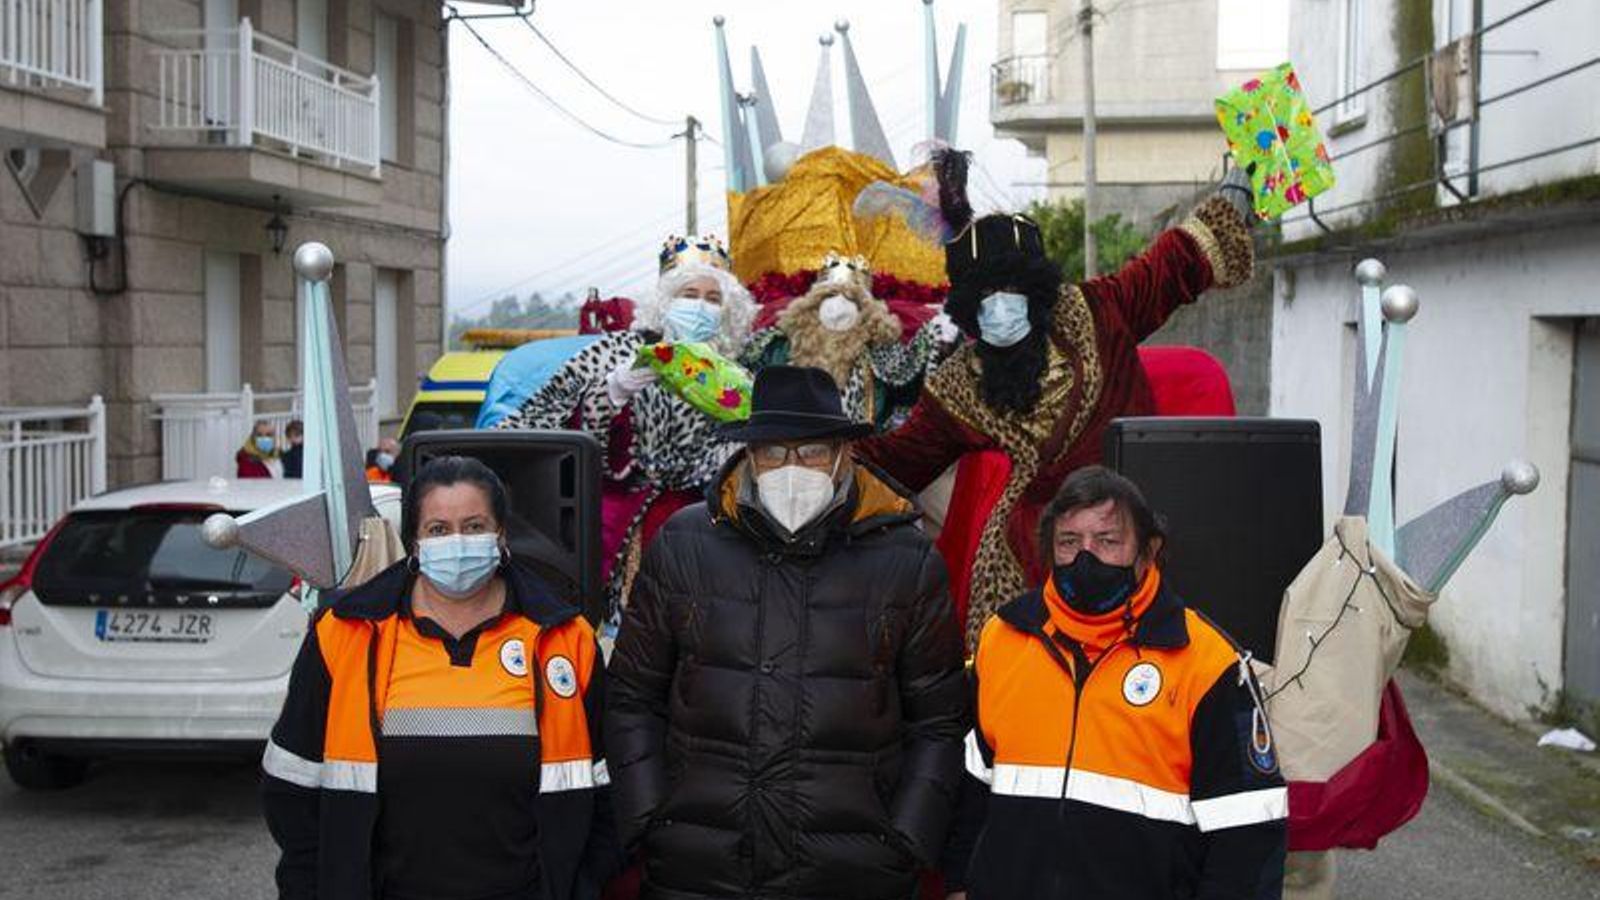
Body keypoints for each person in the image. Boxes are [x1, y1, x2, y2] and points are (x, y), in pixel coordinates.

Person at [854, 149, 1257, 650]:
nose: (999, 309)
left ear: (1037, 292)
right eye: (984, 297)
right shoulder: (957, 385)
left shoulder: (1098, 310)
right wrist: (811, 450)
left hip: (1132, 524)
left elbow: (1169, 268)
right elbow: (898, 460)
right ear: (968, 309)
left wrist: (1233, 198)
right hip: (1037, 552)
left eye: (1012, 291)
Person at [606, 366, 967, 900]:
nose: (791, 469)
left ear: (844, 455)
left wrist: (908, 836)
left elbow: (939, 722)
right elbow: (632, 696)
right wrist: (648, 817)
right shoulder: (685, 543)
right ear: (750, 456)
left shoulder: (906, 559)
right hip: (698, 865)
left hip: (853, 871)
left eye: (812, 452)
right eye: (774, 452)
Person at [261, 456, 620, 900]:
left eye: (473, 526)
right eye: (438, 529)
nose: (458, 542)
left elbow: (609, 794)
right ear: (413, 542)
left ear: (501, 535)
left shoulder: (567, 640)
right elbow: (291, 789)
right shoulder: (343, 635)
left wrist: (579, 887)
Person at [942, 466, 1286, 899]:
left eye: (1107, 541)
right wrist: (957, 883)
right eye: (1069, 542)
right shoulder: (1004, 638)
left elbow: (1249, 827)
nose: (1086, 557)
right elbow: (972, 785)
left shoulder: (1208, 663)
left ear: (1148, 551)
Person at [495, 235, 759, 622]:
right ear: (666, 299)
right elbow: (539, 426)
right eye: (690, 293)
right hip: (615, 524)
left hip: (711, 527)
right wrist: (612, 393)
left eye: (713, 298)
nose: (700, 307)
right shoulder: (615, 352)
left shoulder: (737, 372)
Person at [741, 251, 959, 432]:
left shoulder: (880, 350)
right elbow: (745, 383)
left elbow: (909, 381)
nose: (838, 306)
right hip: (791, 448)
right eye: (829, 296)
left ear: (866, 310)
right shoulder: (778, 346)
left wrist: (936, 333)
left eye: (851, 299)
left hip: (859, 456)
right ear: (811, 304)